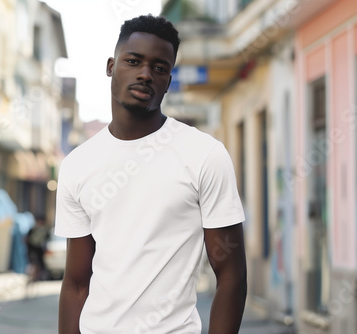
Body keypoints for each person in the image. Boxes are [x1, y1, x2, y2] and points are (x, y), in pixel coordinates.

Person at [55, 14, 247, 334]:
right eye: (133, 61)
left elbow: (231, 275)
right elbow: (75, 283)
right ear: (111, 67)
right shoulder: (77, 165)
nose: (145, 74)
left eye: (159, 68)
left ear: (168, 82)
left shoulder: (204, 155)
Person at [26, 216, 50, 282]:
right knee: (35, 265)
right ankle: (33, 277)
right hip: (35, 251)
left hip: (36, 251)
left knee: (36, 265)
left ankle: (34, 278)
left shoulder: (37, 230)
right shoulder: (38, 230)